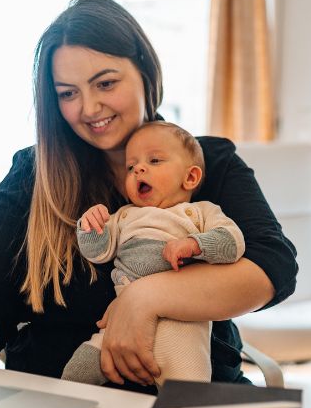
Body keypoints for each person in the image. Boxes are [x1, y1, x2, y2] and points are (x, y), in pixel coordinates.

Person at [0, 0, 298, 394]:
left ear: (145, 70)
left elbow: (273, 267)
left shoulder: (208, 163)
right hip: (58, 400)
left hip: (190, 399)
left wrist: (144, 298)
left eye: (105, 83)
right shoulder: (31, 175)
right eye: (67, 93)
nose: (89, 108)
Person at [62, 121, 246, 387]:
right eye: (130, 166)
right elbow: (97, 253)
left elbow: (233, 243)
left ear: (190, 177)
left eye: (155, 160)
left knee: (188, 395)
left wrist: (195, 244)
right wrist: (90, 225)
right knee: (78, 372)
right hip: (121, 321)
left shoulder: (201, 212)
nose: (138, 168)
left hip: (182, 323)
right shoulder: (125, 215)